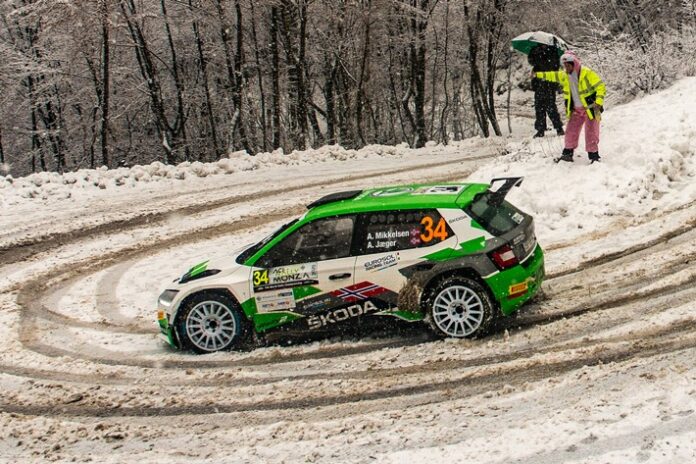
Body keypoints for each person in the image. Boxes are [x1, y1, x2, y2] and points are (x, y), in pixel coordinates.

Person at [532, 50, 606, 163]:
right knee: (571, 131)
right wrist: (537, 74)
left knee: (592, 132)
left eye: (567, 65)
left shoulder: (587, 73)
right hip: (576, 110)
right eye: (564, 65)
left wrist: (599, 101)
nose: (565, 68)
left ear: (574, 64)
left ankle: (594, 156)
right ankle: (567, 154)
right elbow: (552, 75)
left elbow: (600, 86)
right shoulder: (564, 75)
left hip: (592, 107)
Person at [528, 44, 565, 138]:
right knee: (539, 108)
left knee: (551, 107)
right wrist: (535, 57)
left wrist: (540, 61)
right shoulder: (536, 49)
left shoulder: (553, 51)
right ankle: (540, 129)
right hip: (538, 84)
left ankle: (559, 128)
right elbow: (531, 61)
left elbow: (553, 66)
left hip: (549, 84)